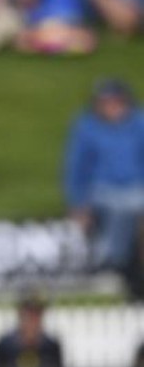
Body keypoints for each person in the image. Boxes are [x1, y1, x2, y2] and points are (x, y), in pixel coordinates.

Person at [64, 78, 144, 278]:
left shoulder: (139, 124)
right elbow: (77, 167)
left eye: (116, 102)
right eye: (106, 103)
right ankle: (113, 261)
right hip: (102, 190)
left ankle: (112, 260)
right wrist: (78, 203)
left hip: (136, 187)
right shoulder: (87, 127)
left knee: (130, 205)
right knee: (123, 208)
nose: (112, 108)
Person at [0, 290, 64, 367]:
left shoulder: (51, 347)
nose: (32, 321)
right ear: (20, 315)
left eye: (36, 315)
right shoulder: (5, 346)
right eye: (29, 315)